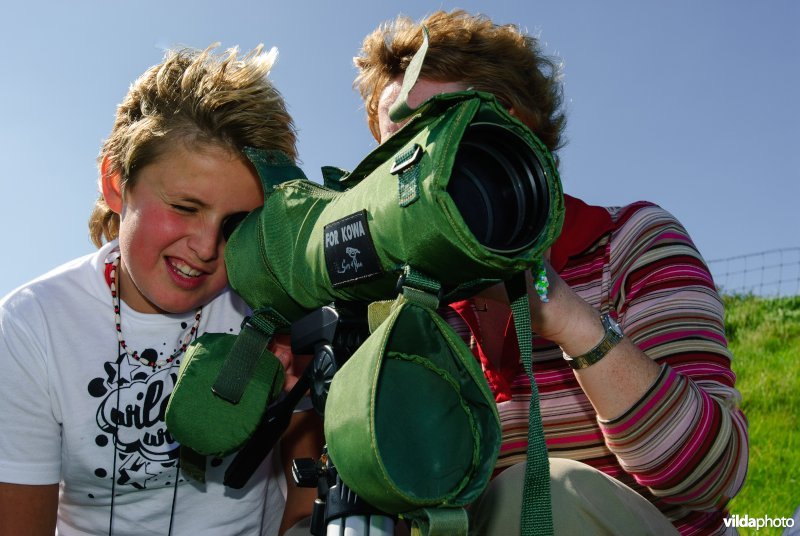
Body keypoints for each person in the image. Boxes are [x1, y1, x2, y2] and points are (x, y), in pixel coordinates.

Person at [351, 10, 749, 535]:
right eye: (394, 153)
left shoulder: (629, 242)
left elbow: (712, 477)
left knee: (536, 495)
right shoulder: (409, 303)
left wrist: (562, 313)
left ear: (515, 132)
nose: (414, 170)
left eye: (434, 133)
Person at [0, 44, 320, 535]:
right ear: (116, 183)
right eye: (185, 208)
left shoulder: (275, 305)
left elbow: (307, 498)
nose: (206, 247)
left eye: (235, 224)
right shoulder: (31, 327)